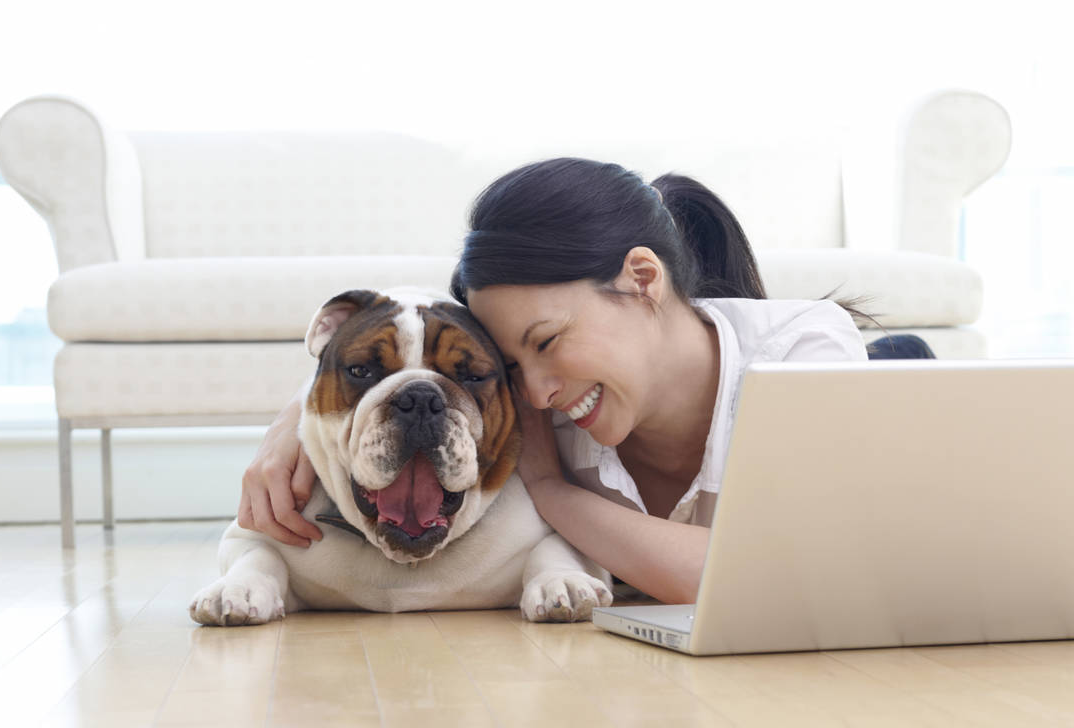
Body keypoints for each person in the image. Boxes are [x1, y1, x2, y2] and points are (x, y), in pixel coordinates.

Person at [239, 157, 933, 604]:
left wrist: (551, 492)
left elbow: (753, 577)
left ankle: (897, 364)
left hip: (839, 431)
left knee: (905, 429)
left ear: (641, 279)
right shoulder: (546, 402)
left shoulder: (800, 350)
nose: (537, 393)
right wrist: (295, 422)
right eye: (513, 368)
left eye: (545, 344)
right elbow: (410, 353)